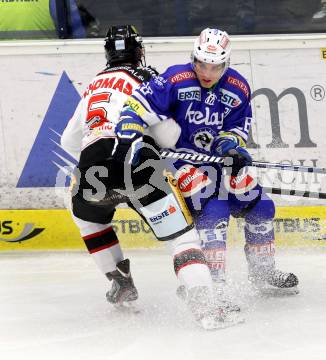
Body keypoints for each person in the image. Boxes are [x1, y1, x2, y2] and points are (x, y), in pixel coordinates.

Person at [61, 25, 240, 330]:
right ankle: (206, 306)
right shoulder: (148, 79)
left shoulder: (93, 86)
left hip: (92, 166)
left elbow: (68, 142)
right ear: (140, 52)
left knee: (87, 217)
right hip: (136, 162)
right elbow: (168, 135)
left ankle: (120, 281)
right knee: (181, 238)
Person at [117, 28, 299, 310]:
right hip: (180, 161)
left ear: (226, 64)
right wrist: (129, 131)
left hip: (217, 160)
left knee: (260, 204)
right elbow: (134, 105)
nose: (207, 72)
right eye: (202, 64)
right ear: (193, 58)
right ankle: (212, 283)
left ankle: (262, 271)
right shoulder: (175, 78)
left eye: (215, 66)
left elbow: (237, 128)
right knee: (213, 211)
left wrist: (231, 148)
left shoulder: (238, 87)